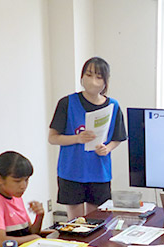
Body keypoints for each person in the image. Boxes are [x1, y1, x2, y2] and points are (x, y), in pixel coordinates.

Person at [49, 56, 127, 220]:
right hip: (71, 171)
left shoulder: (113, 105)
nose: (93, 81)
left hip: (99, 172)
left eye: (99, 77)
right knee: (75, 224)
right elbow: (53, 138)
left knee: (97, 222)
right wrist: (77, 138)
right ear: (82, 76)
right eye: (89, 75)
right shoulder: (67, 103)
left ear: (106, 81)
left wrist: (108, 149)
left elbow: (118, 137)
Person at [0, 151, 46, 247]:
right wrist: (33, 239)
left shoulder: (16, 197)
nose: (23, 186)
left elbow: (30, 233)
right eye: (17, 181)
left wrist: (40, 216)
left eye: (26, 180)